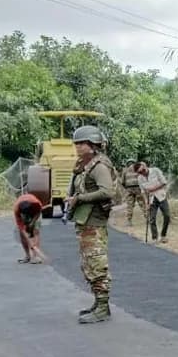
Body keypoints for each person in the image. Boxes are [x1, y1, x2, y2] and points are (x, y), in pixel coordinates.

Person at [64, 125, 118, 324]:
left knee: (97, 263)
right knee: (89, 263)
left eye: (81, 143)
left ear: (93, 145)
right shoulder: (85, 165)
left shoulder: (99, 166)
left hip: (94, 222)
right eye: (76, 143)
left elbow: (107, 192)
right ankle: (99, 302)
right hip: (86, 222)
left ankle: (103, 307)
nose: (77, 147)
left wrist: (80, 198)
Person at [137, 161, 170, 244]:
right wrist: (146, 203)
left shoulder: (155, 171)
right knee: (152, 219)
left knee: (167, 215)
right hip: (151, 199)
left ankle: (163, 235)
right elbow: (143, 192)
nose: (143, 173)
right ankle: (155, 237)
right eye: (140, 172)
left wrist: (153, 189)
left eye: (143, 170)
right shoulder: (140, 178)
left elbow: (164, 182)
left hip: (161, 196)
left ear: (145, 166)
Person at [13, 192, 47, 264]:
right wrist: (30, 243)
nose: (25, 218)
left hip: (35, 213)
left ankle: (35, 256)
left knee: (35, 231)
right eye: (23, 216)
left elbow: (38, 212)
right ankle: (27, 256)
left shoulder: (36, 204)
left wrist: (32, 222)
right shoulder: (16, 210)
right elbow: (22, 229)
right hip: (25, 209)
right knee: (22, 235)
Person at [119, 158, 146, 226]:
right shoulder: (137, 168)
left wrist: (127, 188)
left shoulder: (125, 170)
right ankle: (148, 219)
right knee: (142, 204)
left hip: (129, 189)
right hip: (138, 188)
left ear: (128, 163)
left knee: (129, 206)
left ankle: (129, 222)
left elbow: (122, 182)